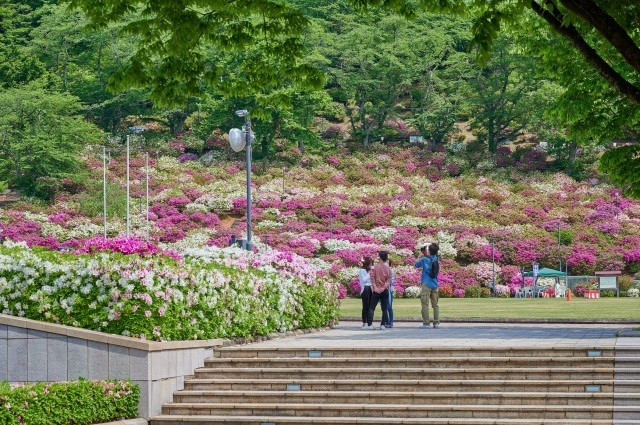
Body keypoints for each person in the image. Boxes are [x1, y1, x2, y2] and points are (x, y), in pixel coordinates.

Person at [415, 243, 440, 329]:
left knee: (425, 305)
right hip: (435, 283)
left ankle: (426, 323)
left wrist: (421, 254)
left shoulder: (424, 259)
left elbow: (416, 265)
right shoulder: (437, 258)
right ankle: (436, 323)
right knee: (435, 305)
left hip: (426, 283)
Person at [367, 251, 392, 330]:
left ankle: (370, 324)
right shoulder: (388, 268)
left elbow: (372, 277)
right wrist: (384, 287)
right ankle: (383, 325)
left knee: (372, 307)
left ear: (380, 257)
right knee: (384, 308)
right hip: (384, 290)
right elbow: (389, 279)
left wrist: (375, 287)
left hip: (376, 290)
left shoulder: (375, 267)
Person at [359, 257, 373, 329]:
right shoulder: (362, 270)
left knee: (370, 306)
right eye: (370, 263)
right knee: (365, 306)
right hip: (365, 288)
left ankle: (369, 322)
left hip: (370, 287)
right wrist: (370, 273)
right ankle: (365, 322)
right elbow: (364, 280)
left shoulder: (369, 269)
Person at [386, 259, 395, 328]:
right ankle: (387, 321)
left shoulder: (390, 270)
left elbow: (392, 281)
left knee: (389, 307)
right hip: (384, 289)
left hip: (389, 289)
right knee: (385, 307)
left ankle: (390, 322)